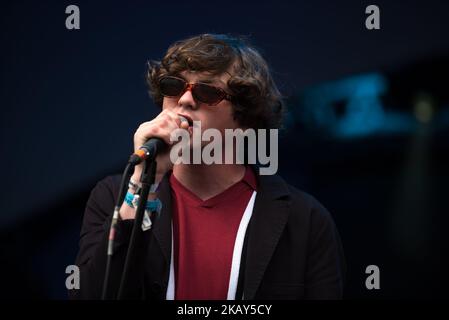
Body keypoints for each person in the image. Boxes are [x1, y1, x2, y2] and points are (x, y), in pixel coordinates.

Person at [69, 33, 345, 300]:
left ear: (245, 117)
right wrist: (143, 184)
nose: (186, 99)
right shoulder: (114, 197)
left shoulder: (305, 220)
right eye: (173, 86)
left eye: (207, 91)